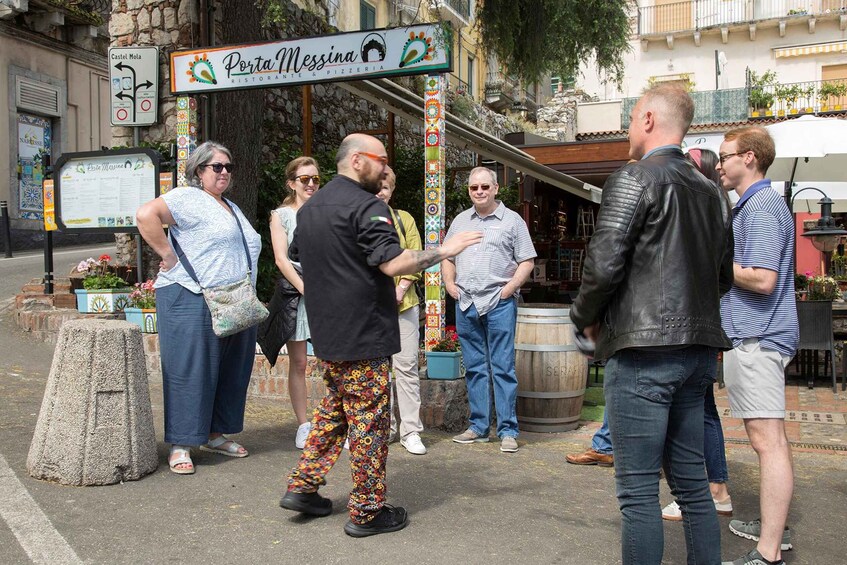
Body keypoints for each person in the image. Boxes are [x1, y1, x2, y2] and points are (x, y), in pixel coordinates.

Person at [278, 134, 481, 537]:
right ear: (357, 161)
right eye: (381, 160)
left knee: (335, 411)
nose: (386, 168)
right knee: (368, 424)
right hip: (363, 334)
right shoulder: (368, 206)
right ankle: (368, 511)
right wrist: (446, 249)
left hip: (330, 333)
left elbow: (302, 254)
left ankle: (303, 487)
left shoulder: (312, 208)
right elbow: (394, 263)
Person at [569, 84, 734, 565]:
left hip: (644, 354)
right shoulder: (714, 192)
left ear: (646, 119)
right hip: (698, 352)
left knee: (639, 491)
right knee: (692, 488)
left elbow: (603, 265)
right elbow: (723, 277)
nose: (625, 130)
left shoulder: (635, 178)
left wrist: (583, 318)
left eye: (630, 119)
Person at [136, 141, 260, 475]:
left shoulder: (231, 206)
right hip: (191, 295)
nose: (223, 173)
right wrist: (167, 254)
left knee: (231, 369)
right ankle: (181, 442)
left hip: (233, 300)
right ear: (198, 171)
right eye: (216, 167)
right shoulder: (187, 198)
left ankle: (215, 434)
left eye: (228, 167)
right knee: (190, 370)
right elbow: (146, 215)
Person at [716, 126, 797, 565]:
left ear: (749, 158)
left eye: (725, 156)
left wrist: (716, 262)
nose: (720, 164)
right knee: (773, 441)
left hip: (757, 337)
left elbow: (762, 279)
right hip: (756, 336)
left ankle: (768, 551)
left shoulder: (762, 207)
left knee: (767, 442)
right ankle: (773, 526)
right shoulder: (755, 205)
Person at [442, 167, 537, 453]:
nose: (479, 192)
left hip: (498, 303)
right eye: (474, 188)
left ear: (496, 188)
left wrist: (509, 290)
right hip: (466, 302)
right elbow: (447, 256)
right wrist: (449, 283)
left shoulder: (512, 221)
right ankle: (479, 427)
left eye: (485, 187)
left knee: (503, 368)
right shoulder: (460, 221)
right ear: (469, 191)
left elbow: (527, 260)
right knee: (474, 368)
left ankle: (508, 430)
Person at [661, 147, 733, 521]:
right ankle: (712, 487)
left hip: (695, 330)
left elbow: (726, 277)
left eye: (689, 163)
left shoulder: (706, 208)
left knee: (699, 413)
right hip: (706, 327)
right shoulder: (716, 207)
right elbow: (723, 279)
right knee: (703, 409)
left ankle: (711, 489)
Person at [268, 156, 321, 449]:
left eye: (315, 179)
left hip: (328, 294)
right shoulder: (281, 215)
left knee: (335, 361)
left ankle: (339, 423)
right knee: (299, 363)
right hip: (298, 295)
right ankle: (303, 424)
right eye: (304, 179)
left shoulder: (326, 211)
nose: (311, 184)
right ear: (292, 183)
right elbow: (280, 258)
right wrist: (306, 290)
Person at [376, 166, 427, 455]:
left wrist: (400, 289)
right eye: (375, 187)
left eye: (385, 187)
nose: (380, 192)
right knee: (377, 371)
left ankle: (410, 430)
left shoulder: (403, 219)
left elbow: (416, 257)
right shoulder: (361, 219)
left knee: (406, 367)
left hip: (403, 304)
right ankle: (385, 429)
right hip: (371, 308)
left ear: (392, 190)